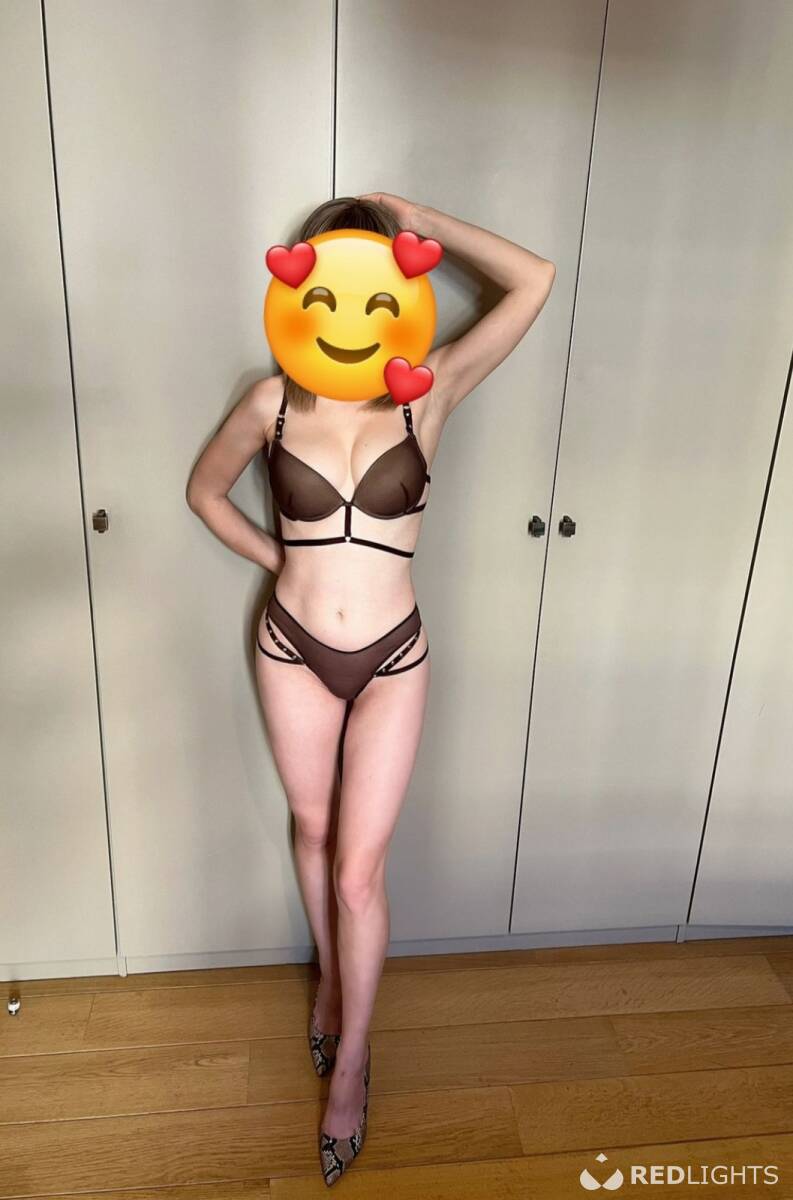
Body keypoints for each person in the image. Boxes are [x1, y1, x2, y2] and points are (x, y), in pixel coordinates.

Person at [186, 192, 555, 1185]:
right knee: (313, 833)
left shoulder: (425, 394)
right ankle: (327, 991)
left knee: (360, 870)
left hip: (393, 655)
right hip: (290, 646)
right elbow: (204, 493)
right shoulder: (271, 401)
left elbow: (534, 282)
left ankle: (351, 1063)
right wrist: (278, 559)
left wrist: (411, 213)